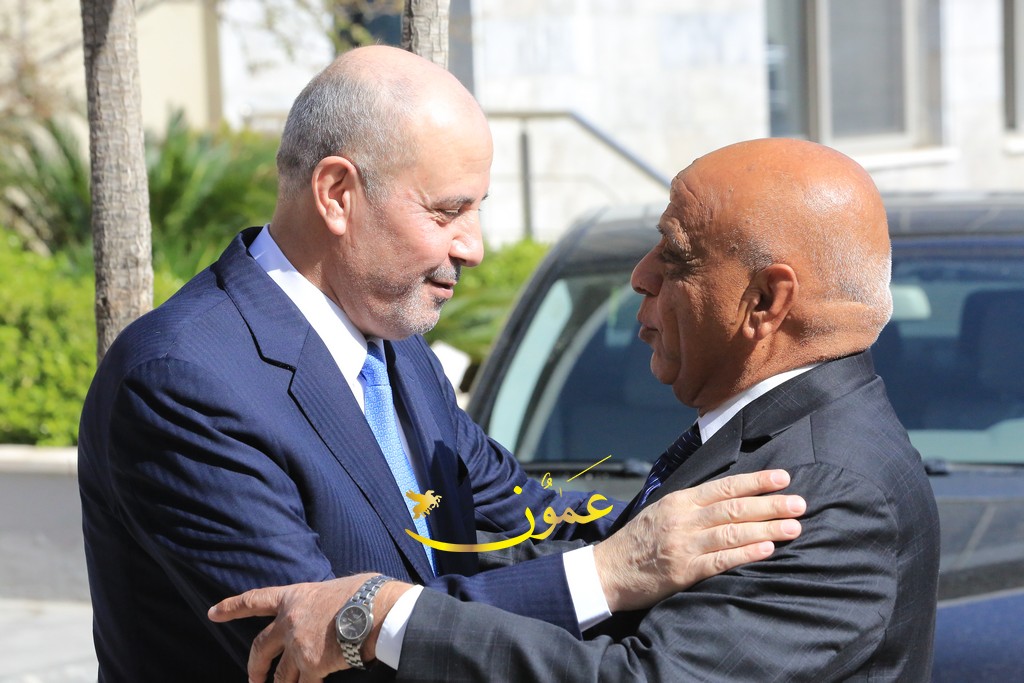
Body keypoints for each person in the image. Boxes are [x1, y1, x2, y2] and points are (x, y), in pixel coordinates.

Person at [77, 47, 806, 681]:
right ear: (337, 194)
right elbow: (323, 647)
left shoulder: (391, 346)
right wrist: (609, 574)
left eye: (478, 208)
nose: (474, 246)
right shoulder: (181, 380)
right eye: (447, 211)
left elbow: (521, 524)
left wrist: (721, 543)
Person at [211, 137, 941, 682]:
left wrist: (387, 617)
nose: (641, 276)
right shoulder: (773, 439)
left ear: (765, 301)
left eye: (675, 255)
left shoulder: (823, 490)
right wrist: (608, 564)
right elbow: (528, 525)